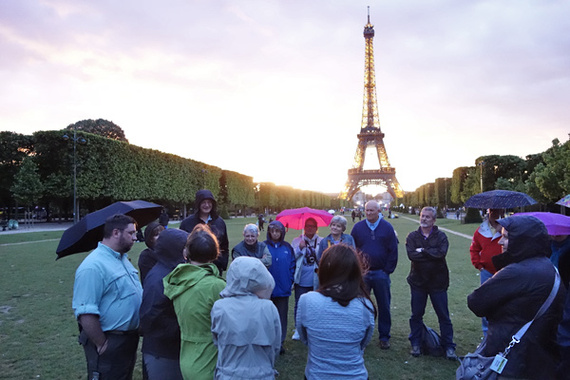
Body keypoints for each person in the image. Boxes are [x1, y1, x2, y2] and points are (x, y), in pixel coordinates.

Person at [467, 215, 565, 379]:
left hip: (513, 360)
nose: (500, 242)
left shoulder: (518, 271)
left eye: (505, 237)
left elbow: (476, 302)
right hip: (539, 358)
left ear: (522, 240)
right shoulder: (547, 266)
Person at [72, 214, 142, 380]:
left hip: (127, 340)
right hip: (110, 341)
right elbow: (85, 312)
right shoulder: (93, 266)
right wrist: (102, 344)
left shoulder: (121, 258)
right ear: (116, 233)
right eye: (130, 233)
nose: (135, 238)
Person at [296, 244, 376, 379]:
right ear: (355, 272)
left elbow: (305, 338)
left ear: (323, 270)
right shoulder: (365, 306)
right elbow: (362, 344)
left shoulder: (307, 300)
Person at [163, 224, 226, 380]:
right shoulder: (215, 286)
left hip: (187, 357)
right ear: (215, 253)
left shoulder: (177, 279)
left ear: (186, 252)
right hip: (210, 360)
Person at [211, 256, 281, 379]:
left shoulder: (220, 307)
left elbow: (217, 341)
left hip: (229, 374)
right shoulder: (268, 307)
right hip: (262, 374)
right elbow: (275, 344)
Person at [405, 207, 456, 360]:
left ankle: (448, 346)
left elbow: (441, 254)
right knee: (416, 314)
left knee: (443, 316)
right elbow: (411, 255)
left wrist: (423, 251)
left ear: (434, 220)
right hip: (418, 281)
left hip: (437, 282)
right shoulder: (412, 236)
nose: (424, 219)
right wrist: (429, 252)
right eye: (422, 216)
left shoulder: (441, 236)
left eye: (428, 217)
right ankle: (416, 343)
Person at [139, 228, 188, 380]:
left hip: (171, 350)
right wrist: (183, 327)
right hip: (162, 353)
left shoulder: (171, 270)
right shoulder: (159, 278)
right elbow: (149, 318)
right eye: (185, 247)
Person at [351, 200, 398, 349]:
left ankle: (384, 336)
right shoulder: (358, 227)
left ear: (379, 211)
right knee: (360, 305)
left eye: (372, 210)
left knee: (384, 306)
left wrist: (387, 270)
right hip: (363, 273)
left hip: (380, 273)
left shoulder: (387, 227)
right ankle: (359, 334)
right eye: (367, 210)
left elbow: (393, 250)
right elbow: (353, 249)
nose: (369, 213)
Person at [469, 208, 504, 336]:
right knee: (486, 301)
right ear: (489, 212)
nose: (495, 214)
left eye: (498, 212)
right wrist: (478, 264)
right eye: (493, 211)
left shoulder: (508, 229)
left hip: (504, 271)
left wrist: (503, 230)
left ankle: (500, 333)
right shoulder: (481, 231)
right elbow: (474, 249)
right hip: (487, 272)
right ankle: (486, 334)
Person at [179, 189, 229, 274]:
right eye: (203, 202)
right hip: (194, 269)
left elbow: (224, 245)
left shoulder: (219, 222)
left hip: (215, 268)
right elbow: (181, 246)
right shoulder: (187, 223)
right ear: (198, 204)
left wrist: (222, 264)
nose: (207, 205)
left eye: (209, 202)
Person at [264, 220, 295, 354]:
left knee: (282, 316)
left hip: (283, 288)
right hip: (266, 289)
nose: (275, 233)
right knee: (267, 317)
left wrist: (290, 279)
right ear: (269, 232)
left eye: (278, 231)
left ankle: (280, 342)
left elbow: (293, 265)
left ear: (282, 232)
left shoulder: (287, 247)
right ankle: (267, 341)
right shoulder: (263, 247)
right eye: (273, 231)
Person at [291, 218, 323, 340]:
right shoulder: (296, 241)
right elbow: (291, 257)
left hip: (316, 278)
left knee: (315, 305)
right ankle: (298, 329)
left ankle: (313, 328)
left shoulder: (321, 241)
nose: (310, 228)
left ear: (316, 228)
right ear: (304, 227)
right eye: (307, 226)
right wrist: (299, 248)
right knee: (299, 304)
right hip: (301, 278)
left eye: (312, 226)